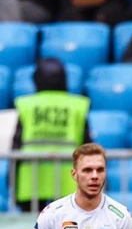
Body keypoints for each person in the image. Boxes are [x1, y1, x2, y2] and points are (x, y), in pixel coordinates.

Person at [13, 57, 92, 213]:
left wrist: (13, 182)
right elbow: (87, 146)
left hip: (32, 182)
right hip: (69, 182)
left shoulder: (26, 104)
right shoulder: (77, 105)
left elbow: (16, 145)